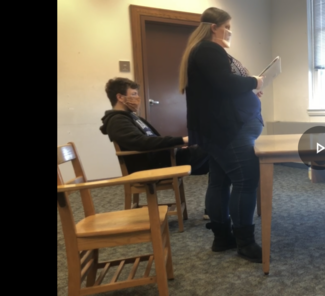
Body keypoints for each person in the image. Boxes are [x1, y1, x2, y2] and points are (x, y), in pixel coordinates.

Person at [178, 7, 265, 263]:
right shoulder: (208, 49)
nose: (229, 31)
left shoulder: (203, 51)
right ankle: (245, 243)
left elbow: (219, 88)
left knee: (219, 182)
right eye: (226, 26)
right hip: (228, 130)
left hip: (219, 129)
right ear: (213, 27)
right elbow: (226, 83)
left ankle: (222, 237)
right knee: (245, 181)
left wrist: (247, 93)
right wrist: (254, 82)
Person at [100, 77, 210, 217]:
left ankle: (214, 209)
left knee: (215, 154)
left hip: (162, 158)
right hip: (154, 164)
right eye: (133, 94)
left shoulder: (130, 117)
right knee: (215, 151)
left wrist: (175, 147)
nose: (137, 98)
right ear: (120, 97)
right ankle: (215, 210)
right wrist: (181, 140)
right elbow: (141, 142)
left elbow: (152, 140)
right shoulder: (118, 121)